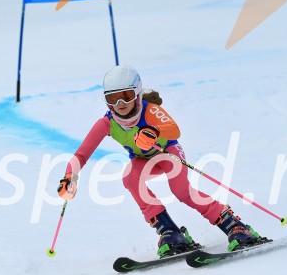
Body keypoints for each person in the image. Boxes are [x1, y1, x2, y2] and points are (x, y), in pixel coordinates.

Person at [57, 65, 265, 257]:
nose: (120, 104)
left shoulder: (150, 110)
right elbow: (81, 154)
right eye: (113, 99)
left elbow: (175, 130)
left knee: (181, 191)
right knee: (130, 177)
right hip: (143, 160)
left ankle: (235, 227)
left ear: (137, 93)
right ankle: (170, 232)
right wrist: (70, 176)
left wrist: (154, 131)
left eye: (126, 96)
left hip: (168, 153)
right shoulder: (107, 123)